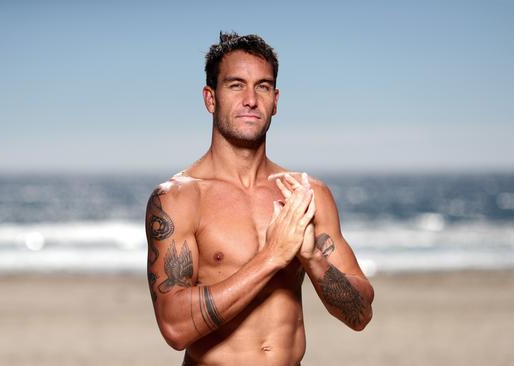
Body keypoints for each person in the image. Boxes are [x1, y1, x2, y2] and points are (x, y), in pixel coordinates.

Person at [145, 32, 374, 365]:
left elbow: (361, 315)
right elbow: (174, 327)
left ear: (276, 101)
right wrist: (273, 256)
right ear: (211, 99)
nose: (250, 99)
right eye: (236, 85)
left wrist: (312, 258)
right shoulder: (179, 199)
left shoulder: (306, 195)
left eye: (263, 86)